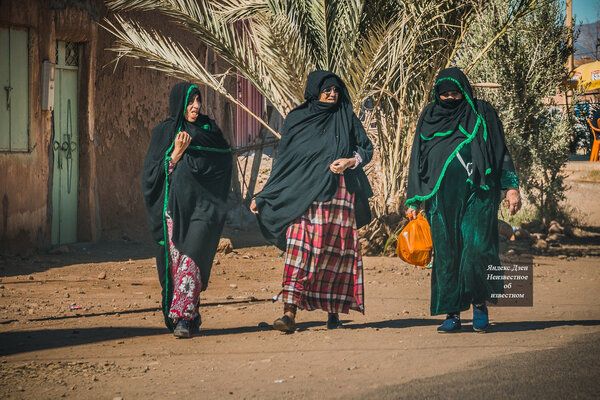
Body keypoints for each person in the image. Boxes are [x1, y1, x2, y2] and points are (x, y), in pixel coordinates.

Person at [250, 70, 374, 333]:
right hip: (303, 199)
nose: (331, 94)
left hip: (339, 198)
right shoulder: (298, 120)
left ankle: (333, 314)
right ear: (314, 91)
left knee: (334, 255)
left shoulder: (346, 116)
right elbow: (284, 164)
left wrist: (351, 161)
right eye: (326, 90)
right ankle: (289, 313)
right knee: (298, 251)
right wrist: (264, 195)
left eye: (335, 90)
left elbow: (366, 148)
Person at [405, 67, 521, 333]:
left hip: (478, 193)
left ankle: (480, 306)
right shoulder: (429, 116)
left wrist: (511, 187)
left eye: (454, 92)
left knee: (478, 249)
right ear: (437, 94)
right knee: (447, 255)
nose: (449, 97)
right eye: (443, 93)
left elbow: (500, 150)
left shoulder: (482, 113)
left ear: (465, 91)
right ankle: (453, 313)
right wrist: (413, 199)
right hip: (440, 199)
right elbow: (417, 159)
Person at [142, 82, 232, 338]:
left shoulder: (209, 130)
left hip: (205, 209)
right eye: (190, 101)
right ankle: (191, 315)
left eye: (198, 100)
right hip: (176, 210)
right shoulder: (165, 132)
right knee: (177, 265)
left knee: (191, 259)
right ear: (179, 103)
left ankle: (182, 317)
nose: (195, 106)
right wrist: (175, 155)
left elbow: (224, 162)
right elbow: (151, 176)